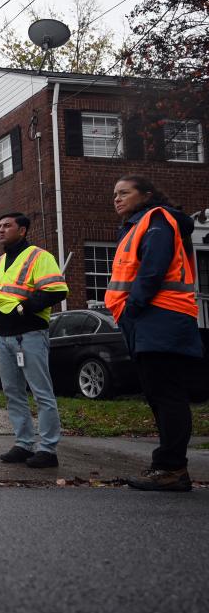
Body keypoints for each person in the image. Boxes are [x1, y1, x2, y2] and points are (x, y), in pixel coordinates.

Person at [106, 175, 201, 492]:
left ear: (146, 195)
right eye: (115, 194)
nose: (117, 199)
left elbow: (153, 268)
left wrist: (133, 307)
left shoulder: (156, 219)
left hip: (161, 316)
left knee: (167, 394)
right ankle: (169, 466)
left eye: (125, 193)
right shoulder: (136, 225)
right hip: (148, 318)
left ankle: (171, 467)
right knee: (157, 394)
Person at [0, 212, 67, 468]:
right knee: (12, 392)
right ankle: (23, 443)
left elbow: (57, 291)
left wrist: (22, 309)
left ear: (22, 230)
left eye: (7, 226)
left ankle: (48, 449)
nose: (1, 230)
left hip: (30, 333)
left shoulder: (39, 257)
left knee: (41, 392)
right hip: (3, 336)